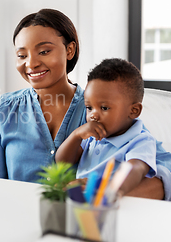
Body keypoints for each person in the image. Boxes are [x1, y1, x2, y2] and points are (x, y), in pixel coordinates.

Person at [0, 8, 171, 201]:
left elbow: (165, 176)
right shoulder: (5, 109)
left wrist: (102, 191)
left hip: (81, 225)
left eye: (44, 51)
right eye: (21, 55)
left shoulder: (100, 110)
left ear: (69, 50)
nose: (31, 63)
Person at [55, 58, 156, 195]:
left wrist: (107, 187)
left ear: (134, 111)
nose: (93, 115)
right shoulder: (92, 137)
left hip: (110, 204)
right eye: (89, 107)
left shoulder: (141, 141)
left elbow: (135, 170)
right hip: (81, 201)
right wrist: (76, 135)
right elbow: (62, 162)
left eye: (104, 107)